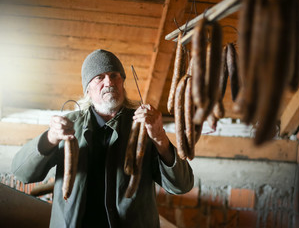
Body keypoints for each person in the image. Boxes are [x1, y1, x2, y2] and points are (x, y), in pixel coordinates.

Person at [11, 49, 194, 227]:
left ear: (122, 82)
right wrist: (50, 138)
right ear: (88, 90)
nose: (109, 82)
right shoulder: (69, 125)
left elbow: (182, 185)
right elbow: (21, 173)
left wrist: (159, 137)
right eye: (99, 77)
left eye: (115, 75)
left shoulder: (144, 125)